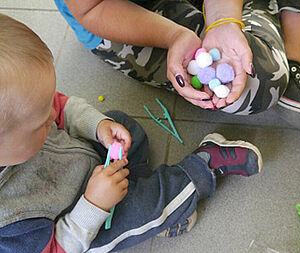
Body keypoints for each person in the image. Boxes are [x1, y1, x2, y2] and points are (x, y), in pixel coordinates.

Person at [0, 14, 263, 253]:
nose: (51, 116)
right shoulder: (8, 221)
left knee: (121, 124)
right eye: (40, 123)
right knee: (143, 207)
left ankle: (153, 208)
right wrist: (94, 205)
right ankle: (203, 167)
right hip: (89, 221)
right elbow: (59, 247)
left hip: (91, 165)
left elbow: (62, 108)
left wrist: (98, 126)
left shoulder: (20, 116)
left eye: (47, 106)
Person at [56, 0, 300, 134]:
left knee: (247, 65)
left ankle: (290, 59)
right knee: (258, 82)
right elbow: (94, 7)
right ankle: (272, 16)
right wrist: (175, 36)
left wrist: (224, 21)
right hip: (131, 16)